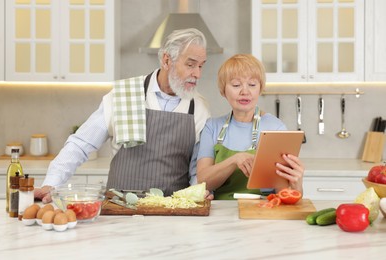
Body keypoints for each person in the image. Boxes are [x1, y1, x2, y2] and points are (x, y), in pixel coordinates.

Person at [35, 28, 211, 203]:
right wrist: (52, 183)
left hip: (172, 213)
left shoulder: (199, 108)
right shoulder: (126, 94)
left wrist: (199, 191)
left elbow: (197, 168)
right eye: (190, 65)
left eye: (201, 66)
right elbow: (80, 144)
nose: (197, 74)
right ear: (166, 60)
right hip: (119, 209)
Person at [196, 54, 304, 200]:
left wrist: (296, 184)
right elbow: (203, 182)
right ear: (223, 90)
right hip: (221, 210)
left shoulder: (276, 128)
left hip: (262, 209)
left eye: (252, 85)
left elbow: (284, 192)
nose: (245, 91)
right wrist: (235, 160)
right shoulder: (212, 126)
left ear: (260, 89)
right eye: (236, 85)